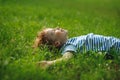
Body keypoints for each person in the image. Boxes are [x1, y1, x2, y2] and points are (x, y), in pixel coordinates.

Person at [33, 27, 120, 68]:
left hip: (114, 42)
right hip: (114, 47)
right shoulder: (68, 47)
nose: (57, 28)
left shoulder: (70, 42)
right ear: (56, 43)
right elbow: (67, 58)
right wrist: (50, 63)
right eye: (53, 31)